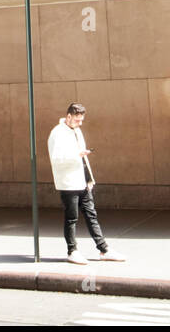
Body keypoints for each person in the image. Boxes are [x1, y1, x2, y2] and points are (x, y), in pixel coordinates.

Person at [47, 103, 124, 265]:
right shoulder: (57, 133)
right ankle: (72, 251)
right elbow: (56, 159)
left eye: (81, 120)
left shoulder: (77, 131)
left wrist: (89, 179)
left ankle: (104, 249)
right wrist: (76, 155)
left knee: (91, 214)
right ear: (68, 116)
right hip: (68, 183)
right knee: (71, 218)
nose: (80, 123)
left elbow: (83, 158)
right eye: (77, 120)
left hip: (82, 181)